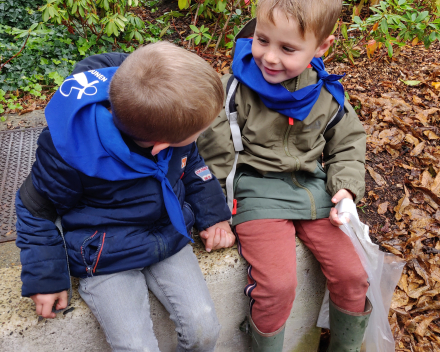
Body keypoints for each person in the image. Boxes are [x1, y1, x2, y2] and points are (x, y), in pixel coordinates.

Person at [15, 41, 235, 352]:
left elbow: (191, 164)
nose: (201, 135)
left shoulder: (160, 111)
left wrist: (214, 216)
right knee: (136, 347)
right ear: (161, 147)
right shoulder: (69, 153)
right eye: (198, 134)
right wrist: (46, 278)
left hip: (166, 234)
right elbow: (34, 208)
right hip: (106, 252)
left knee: (204, 328)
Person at [197, 0, 371, 351]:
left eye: (287, 48)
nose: (270, 58)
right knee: (277, 286)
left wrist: (347, 189)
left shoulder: (325, 93)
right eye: (262, 40)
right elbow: (215, 156)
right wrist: (216, 213)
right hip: (257, 193)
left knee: (354, 277)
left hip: (314, 192)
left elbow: (349, 142)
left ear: (321, 47)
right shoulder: (233, 91)